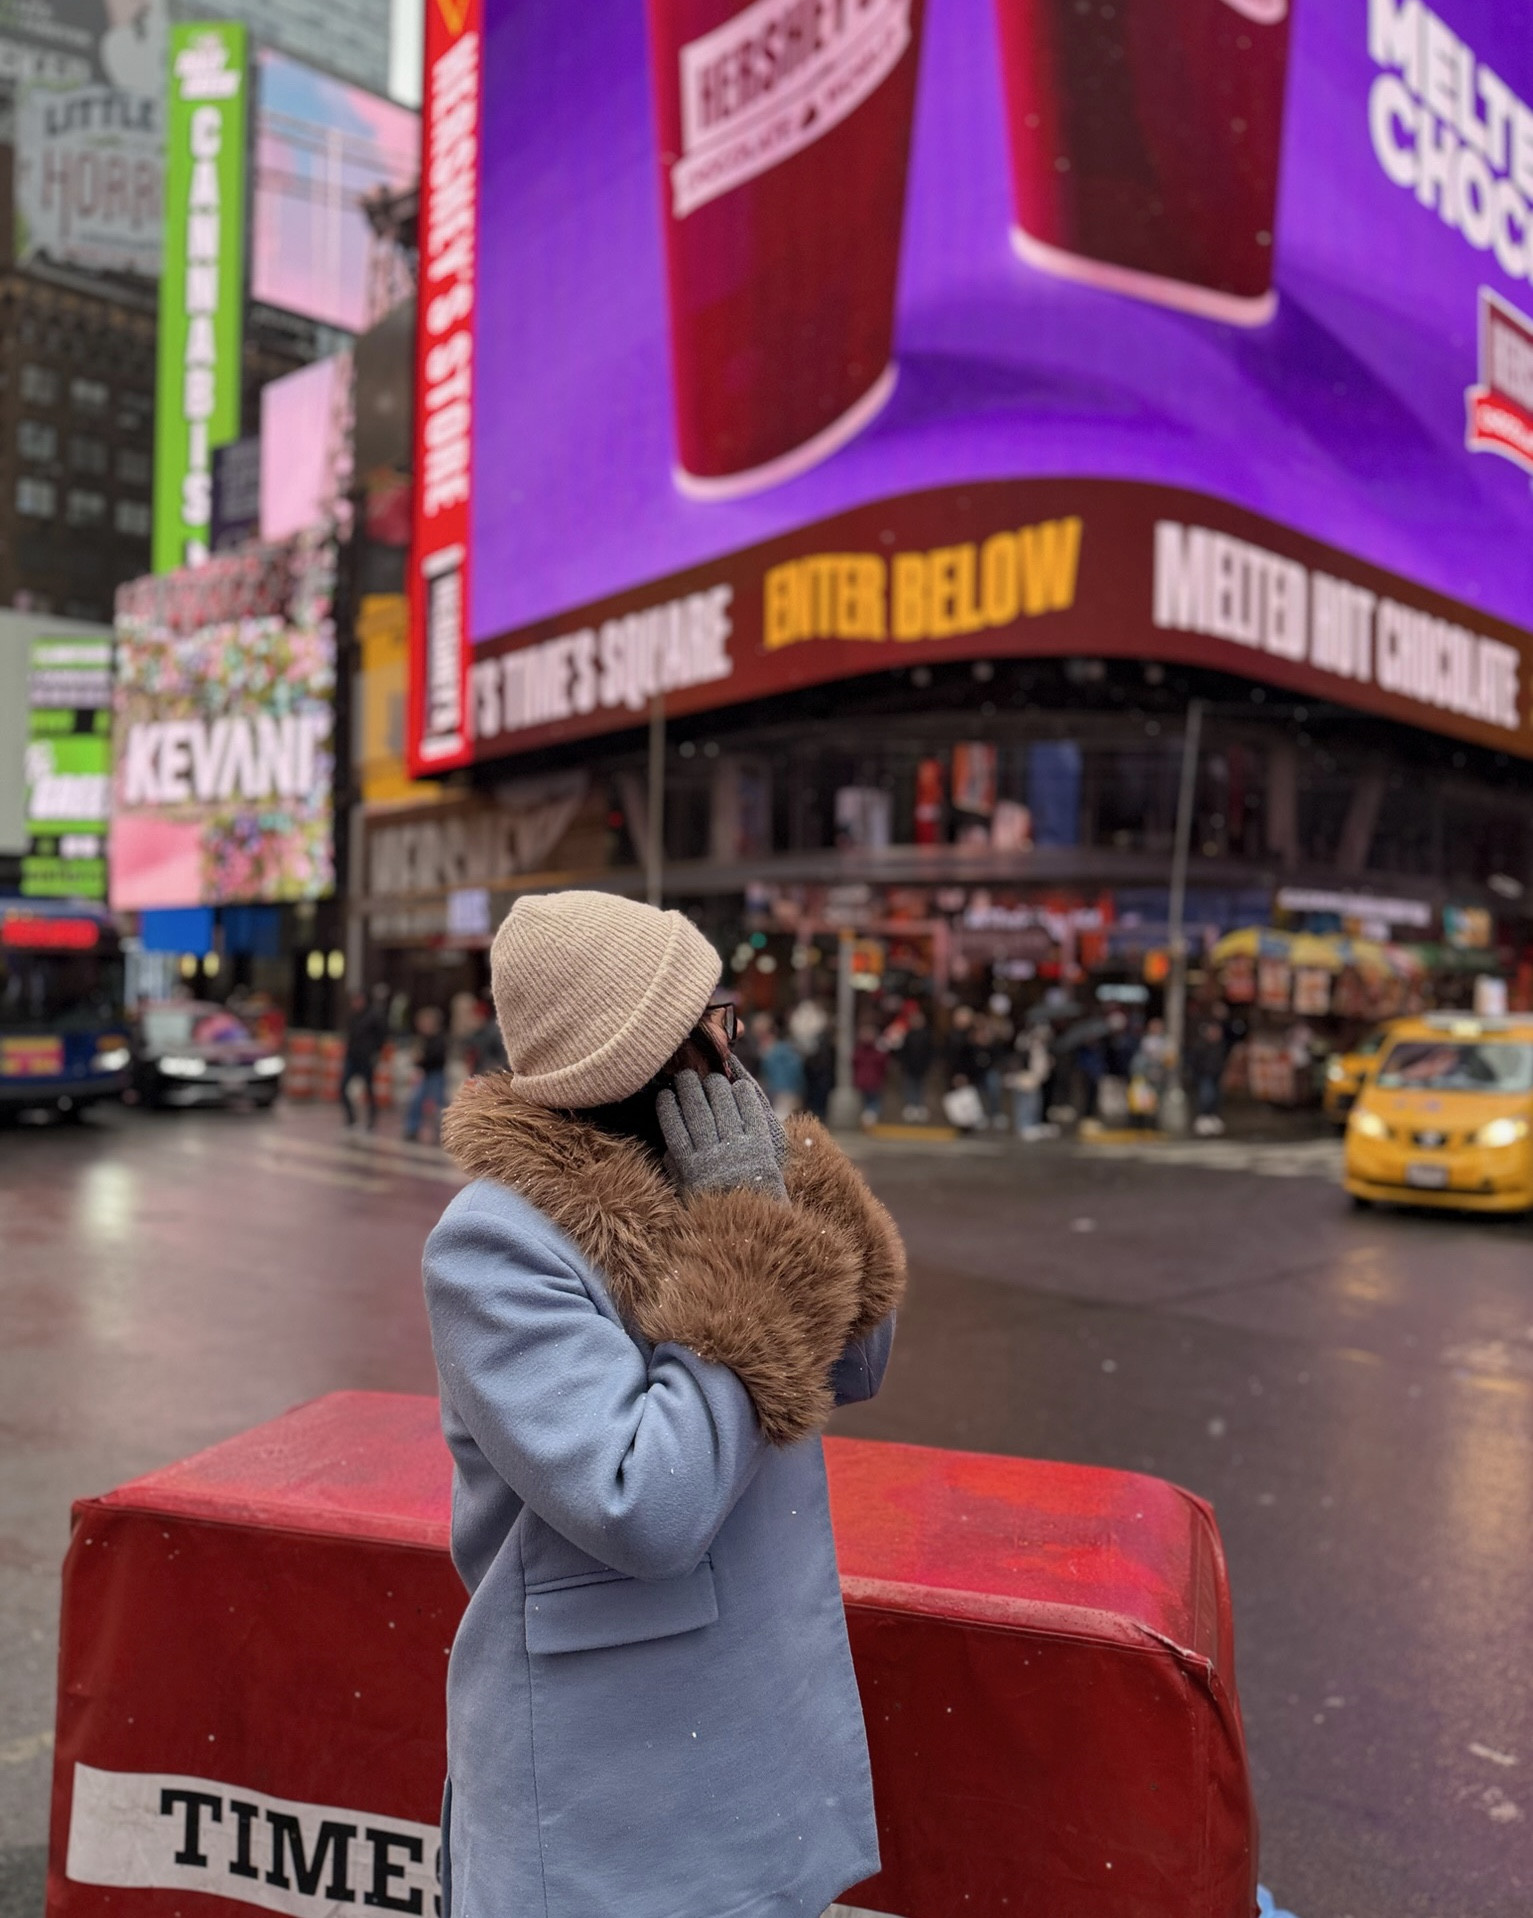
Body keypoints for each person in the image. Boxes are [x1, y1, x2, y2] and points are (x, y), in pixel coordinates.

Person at [424, 891, 904, 1918]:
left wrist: (790, 1191)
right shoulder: (494, 1242)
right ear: (643, 1055)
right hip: (611, 1784)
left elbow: (860, 1358)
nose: (736, 1046)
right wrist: (749, 1242)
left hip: (751, 1734)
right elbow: (649, 1503)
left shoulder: (706, 1179)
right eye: (712, 1022)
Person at [339, 987, 385, 1129]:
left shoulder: (373, 1016)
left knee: (369, 1090)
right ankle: (351, 1118)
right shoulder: (352, 1016)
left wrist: (374, 1052)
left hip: (366, 1058)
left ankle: (371, 1119)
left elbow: (382, 1036)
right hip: (352, 1056)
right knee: (342, 1087)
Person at [404, 1005, 449, 1142]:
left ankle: (443, 1131)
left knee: (438, 1104)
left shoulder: (439, 1039)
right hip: (425, 1074)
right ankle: (412, 1128)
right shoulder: (423, 1039)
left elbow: (437, 1057)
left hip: (436, 1074)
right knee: (416, 1100)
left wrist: (422, 1059)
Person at [1006, 1019, 1053, 1139]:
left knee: (1034, 1103)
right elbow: (1020, 1059)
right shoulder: (1026, 1042)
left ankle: (1032, 1124)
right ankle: (1023, 1126)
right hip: (1025, 1077)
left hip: (1035, 1077)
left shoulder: (1042, 1047)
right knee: (1024, 1103)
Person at [759, 1021, 807, 1116]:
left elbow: (768, 1072)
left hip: (781, 1090)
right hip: (790, 1089)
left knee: (780, 1119)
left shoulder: (772, 1053)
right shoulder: (789, 1050)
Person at [852, 1022, 889, 1127]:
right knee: (871, 1103)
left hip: (869, 1081)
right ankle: (868, 1120)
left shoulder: (862, 1050)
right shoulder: (875, 1051)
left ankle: (868, 1120)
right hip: (870, 1081)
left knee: (871, 1102)